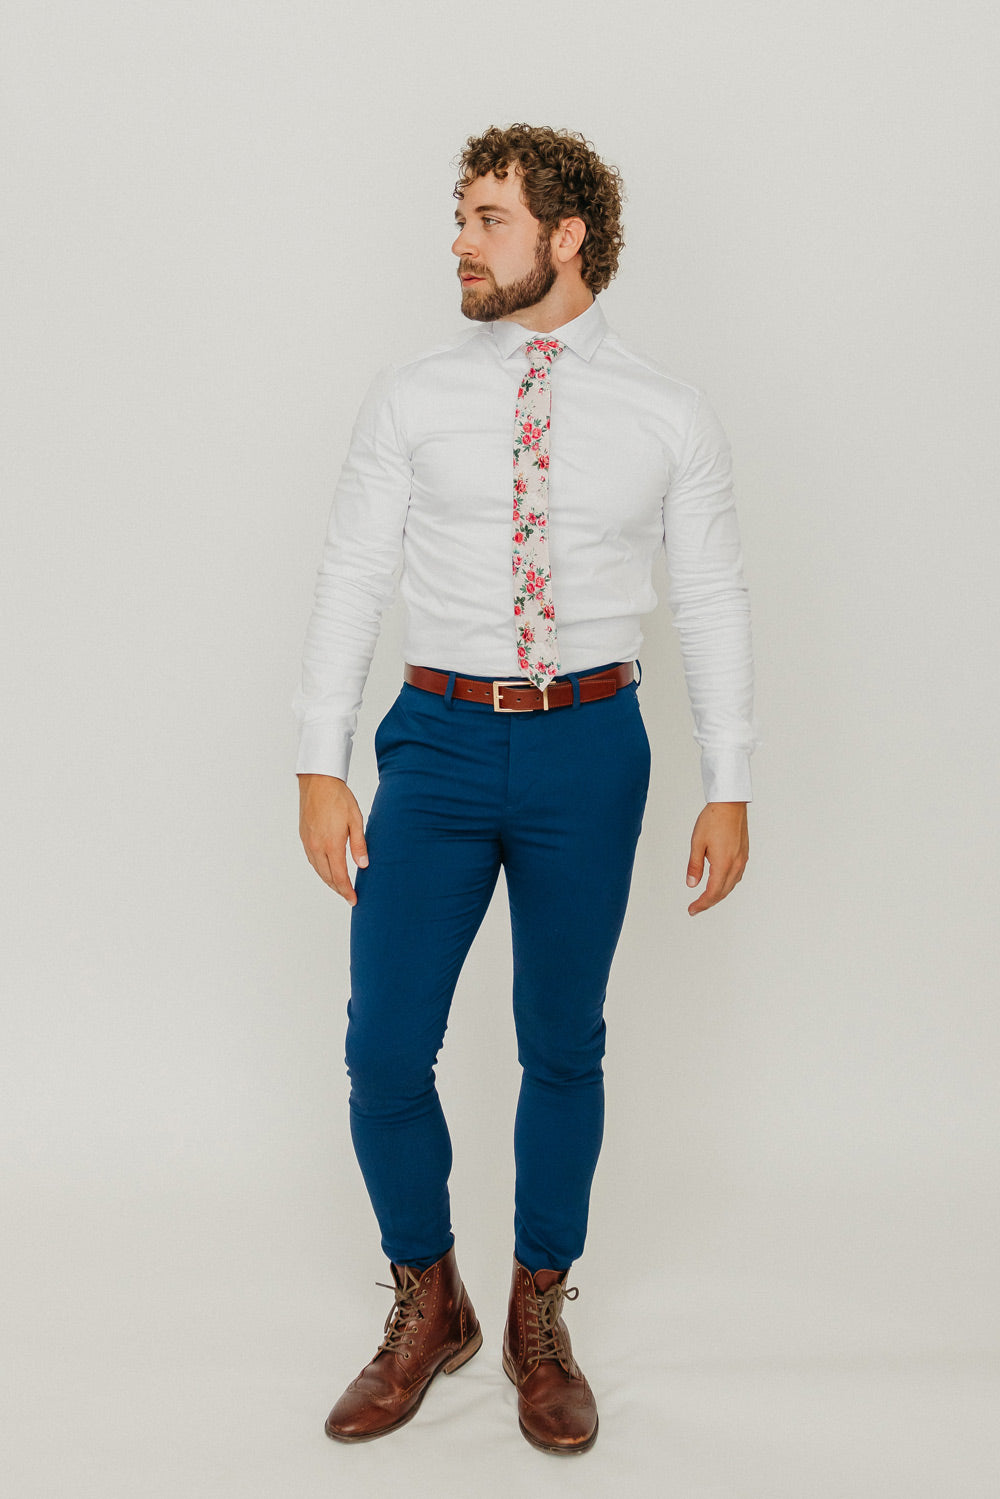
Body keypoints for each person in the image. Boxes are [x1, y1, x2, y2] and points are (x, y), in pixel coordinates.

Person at [293, 123, 760, 1455]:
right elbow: (351, 573)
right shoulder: (411, 398)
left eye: (487, 219)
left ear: (565, 237)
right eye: (460, 215)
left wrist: (728, 780)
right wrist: (321, 761)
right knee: (385, 1047)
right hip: (436, 744)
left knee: (563, 1042)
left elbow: (711, 596)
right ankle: (426, 1295)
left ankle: (537, 1308)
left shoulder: (668, 414)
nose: (459, 240)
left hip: (590, 748)